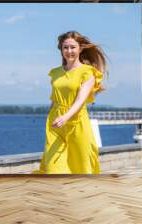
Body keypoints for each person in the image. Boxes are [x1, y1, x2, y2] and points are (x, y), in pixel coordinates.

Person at [32, 31, 107, 174]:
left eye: (72, 47)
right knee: (53, 167)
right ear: (61, 49)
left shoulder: (88, 72)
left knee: (80, 165)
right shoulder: (55, 73)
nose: (69, 51)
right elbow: (54, 100)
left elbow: (80, 100)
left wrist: (65, 117)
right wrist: (52, 117)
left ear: (80, 48)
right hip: (56, 122)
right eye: (65, 47)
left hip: (77, 121)